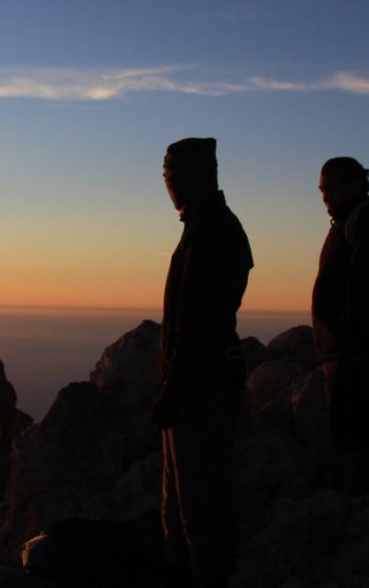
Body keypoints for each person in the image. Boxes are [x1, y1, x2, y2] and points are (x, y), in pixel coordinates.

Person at [150, 137, 252, 588]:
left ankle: (208, 577)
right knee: (178, 499)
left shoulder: (214, 232)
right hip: (194, 383)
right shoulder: (203, 227)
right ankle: (183, 573)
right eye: (166, 178)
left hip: (202, 387)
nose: (169, 186)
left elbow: (200, 323)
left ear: (199, 176)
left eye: (173, 177)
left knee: (200, 501)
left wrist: (172, 390)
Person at [311, 157, 369, 495]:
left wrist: (352, 334)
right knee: (346, 420)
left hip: (356, 345)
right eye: (322, 190)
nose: (325, 196)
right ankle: (356, 489)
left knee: (355, 422)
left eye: (331, 188)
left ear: (355, 184)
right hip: (342, 345)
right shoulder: (346, 222)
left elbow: (368, 286)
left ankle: (359, 493)